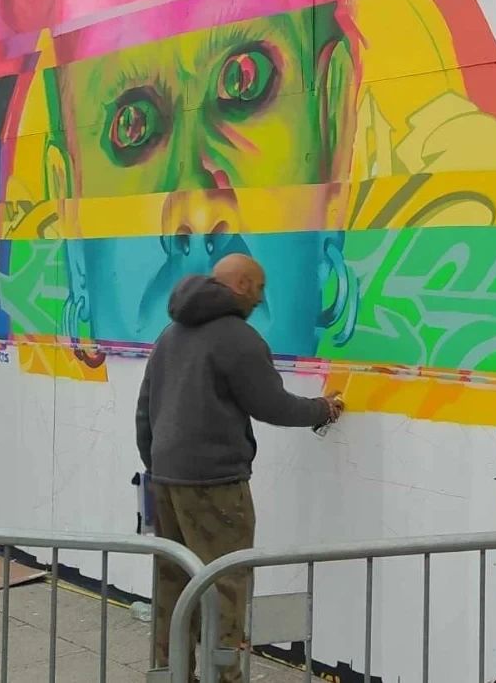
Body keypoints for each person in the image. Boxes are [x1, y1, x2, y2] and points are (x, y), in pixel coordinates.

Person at [135, 253, 344, 682]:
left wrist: (157, 466)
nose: (261, 298)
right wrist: (323, 409)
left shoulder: (170, 334)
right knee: (225, 585)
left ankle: (170, 674)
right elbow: (272, 404)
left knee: (172, 583)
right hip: (216, 483)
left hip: (166, 478)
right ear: (243, 284)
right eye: (260, 287)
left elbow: (144, 412)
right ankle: (224, 678)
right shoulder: (238, 338)